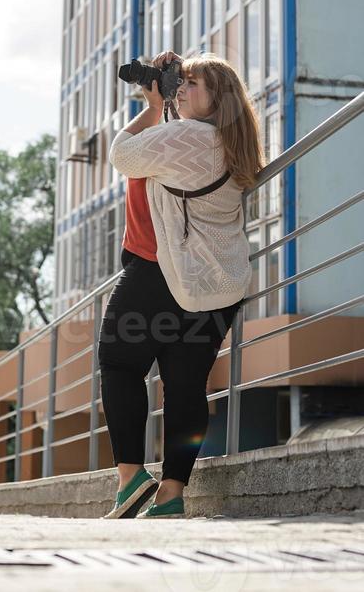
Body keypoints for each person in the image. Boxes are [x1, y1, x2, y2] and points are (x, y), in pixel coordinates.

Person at [98, 50, 266, 519]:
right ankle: (171, 495)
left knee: (118, 362)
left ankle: (130, 478)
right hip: (219, 283)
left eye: (192, 84)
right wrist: (168, 100)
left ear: (219, 99)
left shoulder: (189, 136)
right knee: (185, 385)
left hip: (162, 274)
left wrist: (152, 107)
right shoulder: (229, 141)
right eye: (181, 82)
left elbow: (123, 156)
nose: (182, 89)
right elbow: (168, 157)